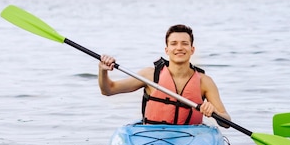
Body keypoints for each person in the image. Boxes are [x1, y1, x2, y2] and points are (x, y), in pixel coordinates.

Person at [98, 24, 230, 127]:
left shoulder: (205, 82)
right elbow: (108, 90)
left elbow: (226, 122)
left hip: (190, 137)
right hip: (153, 135)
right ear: (167, 50)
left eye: (184, 43)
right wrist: (103, 70)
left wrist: (215, 113)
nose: (179, 48)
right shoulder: (149, 75)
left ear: (192, 49)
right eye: (173, 44)